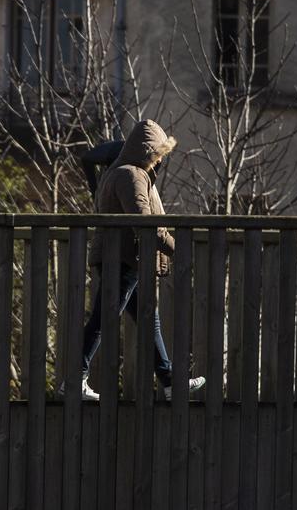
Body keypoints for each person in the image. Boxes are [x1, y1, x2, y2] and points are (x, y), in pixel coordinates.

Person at [78, 118, 205, 400]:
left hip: (124, 257)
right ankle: (76, 377)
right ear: (147, 151)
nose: (159, 160)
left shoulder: (121, 172)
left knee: (148, 320)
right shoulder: (131, 175)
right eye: (157, 154)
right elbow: (144, 223)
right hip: (122, 257)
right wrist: (178, 248)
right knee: (104, 318)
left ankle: (171, 381)